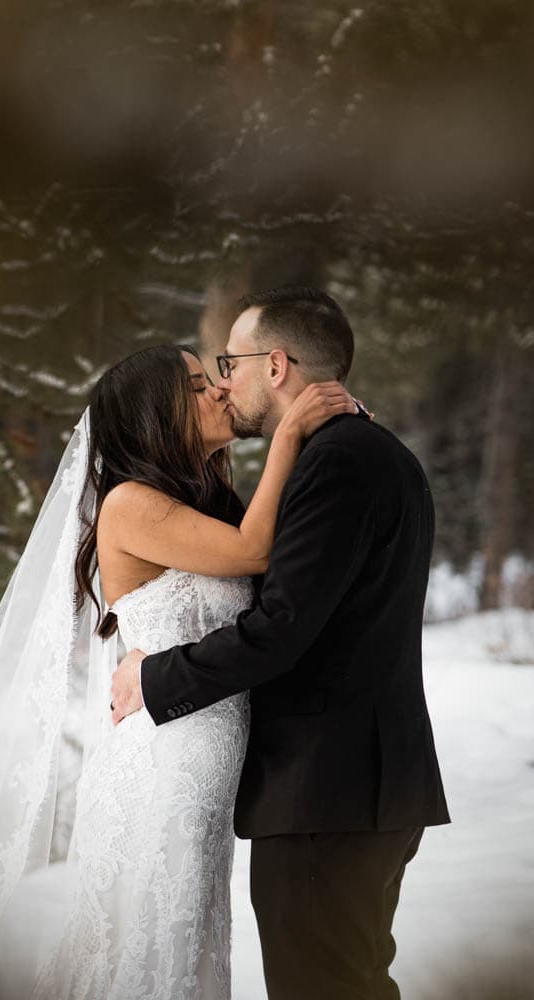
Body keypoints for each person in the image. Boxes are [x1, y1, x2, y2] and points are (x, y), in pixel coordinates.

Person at [0, 339, 357, 1000]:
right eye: (194, 387)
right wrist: (292, 429)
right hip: (164, 764)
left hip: (203, 760)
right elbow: (256, 551)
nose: (216, 391)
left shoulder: (205, 497)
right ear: (155, 417)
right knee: (151, 953)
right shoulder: (129, 504)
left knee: (182, 947)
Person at [111, 286, 451, 1000]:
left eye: (227, 364)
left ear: (276, 366)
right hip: (357, 788)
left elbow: (281, 631)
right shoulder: (369, 452)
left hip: (327, 793)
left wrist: (154, 679)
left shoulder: (333, 462)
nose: (222, 382)